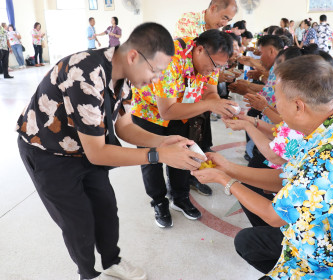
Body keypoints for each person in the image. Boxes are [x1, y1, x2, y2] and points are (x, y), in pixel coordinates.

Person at [16, 22, 205, 280]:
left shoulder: (124, 76)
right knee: (78, 222)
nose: (158, 79)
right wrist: (158, 156)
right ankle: (88, 274)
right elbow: (98, 153)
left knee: (106, 208)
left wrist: (164, 141)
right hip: (49, 153)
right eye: (156, 70)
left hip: (84, 148)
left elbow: (125, 127)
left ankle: (111, 261)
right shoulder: (85, 72)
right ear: (134, 56)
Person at [192, 55, 333, 279]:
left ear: (298, 105)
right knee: (247, 240)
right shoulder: (332, 127)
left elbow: (275, 216)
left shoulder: (331, 156)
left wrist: (224, 180)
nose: (274, 105)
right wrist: (227, 168)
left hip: (330, 264)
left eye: (277, 100)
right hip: (313, 240)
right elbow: (288, 178)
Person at [130, 29, 236, 228]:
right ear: (200, 50)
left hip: (183, 109)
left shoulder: (212, 62)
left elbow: (211, 92)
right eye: (215, 65)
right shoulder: (168, 58)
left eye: (221, 67)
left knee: (183, 153)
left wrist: (219, 105)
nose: (215, 71)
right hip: (149, 112)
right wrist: (209, 105)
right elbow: (167, 111)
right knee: (152, 159)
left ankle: (179, 197)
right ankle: (159, 202)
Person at [173, 0, 238, 196]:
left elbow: (210, 77)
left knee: (198, 137)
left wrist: (217, 102)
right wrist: (209, 100)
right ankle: (175, 188)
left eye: (229, 21)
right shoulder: (189, 22)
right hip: (178, 93)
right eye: (224, 17)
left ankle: (193, 176)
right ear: (213, 8)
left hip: (198, 95)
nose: (224, 23)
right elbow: (193, 61)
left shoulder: (219, 38)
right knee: (179, 139)